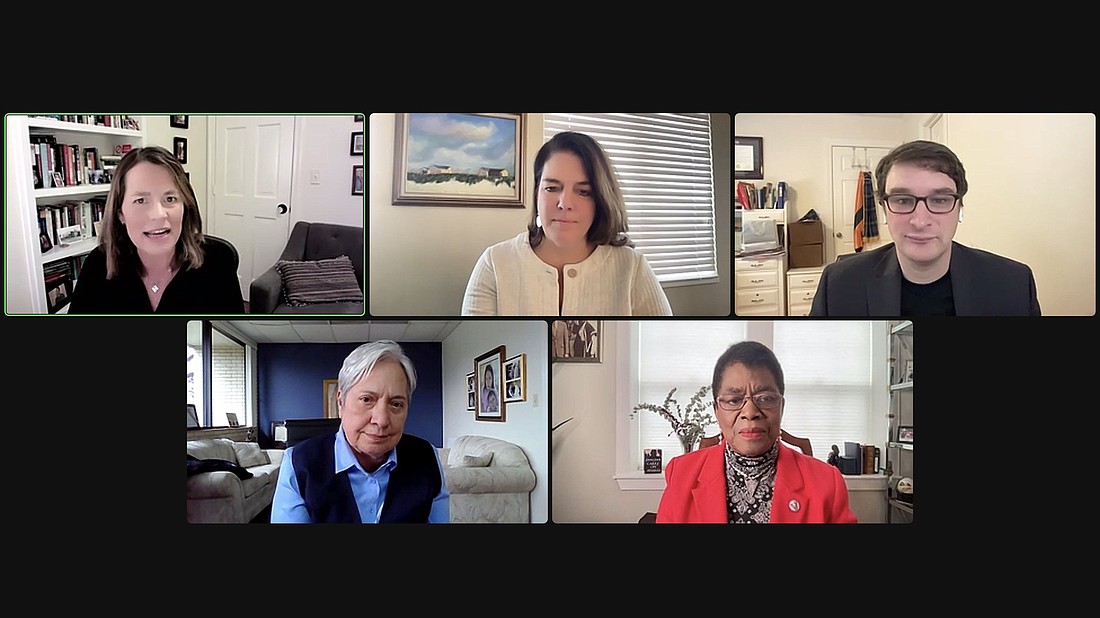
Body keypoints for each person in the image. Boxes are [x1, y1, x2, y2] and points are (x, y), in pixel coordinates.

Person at [810, 140, 1040, 316]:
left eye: (940, 200)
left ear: (959, 208)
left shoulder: (1014, 283)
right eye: (902, 200)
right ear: (884, 209)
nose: (920, 221)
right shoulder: (839, 285)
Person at [461, 131, 673, 316]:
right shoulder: (495, 264)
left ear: (601, 198)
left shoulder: (632, 269)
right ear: (537, 193)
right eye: (552, 188)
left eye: (583, 192)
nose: (565, 204)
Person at [656, 340, 857, 523]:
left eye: (766, 398)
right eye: (734, 400)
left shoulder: (827, 483)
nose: (750, 413)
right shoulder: (680, 475)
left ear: (781, 407)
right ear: (717, 411)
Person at [271, 340, 449, 523]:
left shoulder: (427, 458)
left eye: (396, 404)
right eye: (366, 399)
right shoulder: (299, 462)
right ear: (341, 402)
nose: (381, 420)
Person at [67, 146, 244, 314]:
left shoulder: (218, 261)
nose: (158, 215)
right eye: (141, 200)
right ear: (120, 213)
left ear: (185, 206)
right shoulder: (98, 264)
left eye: (170, 198)